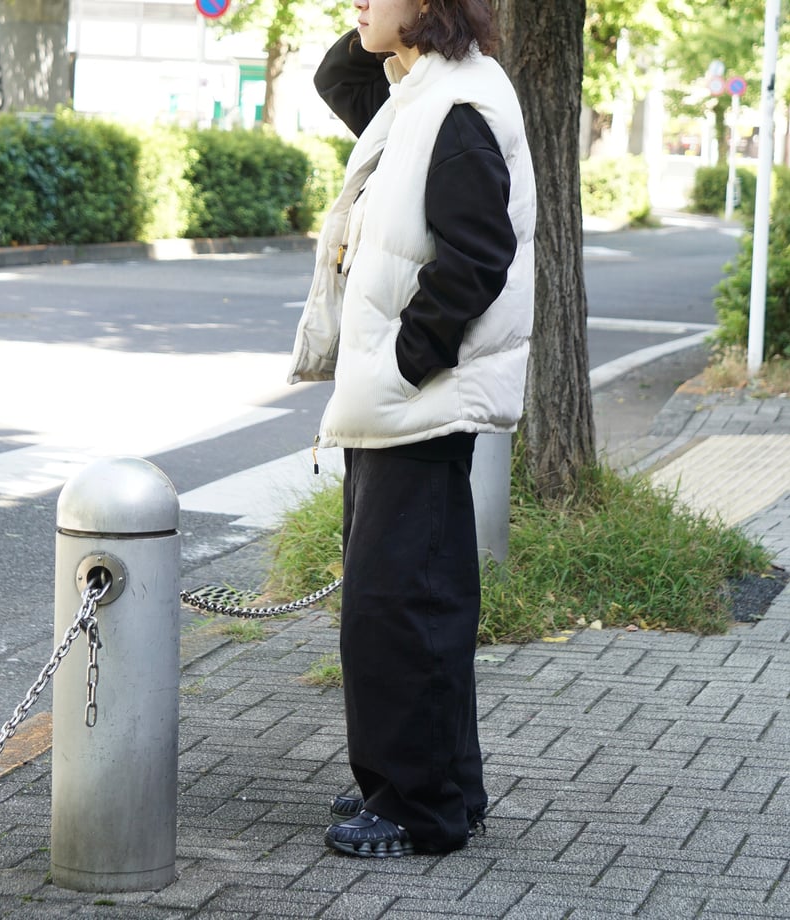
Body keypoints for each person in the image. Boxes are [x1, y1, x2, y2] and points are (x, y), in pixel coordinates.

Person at [288, 0, 536, 858]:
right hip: (401, 401)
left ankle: (417, 808)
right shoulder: (422, 90)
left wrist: (406, 361)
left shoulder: (456, 107)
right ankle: (438, 786)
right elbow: (339, 74)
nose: (354, 3)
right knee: (406, 599)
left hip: (414, 397)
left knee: (401, 608)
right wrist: (391, 29)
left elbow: (478, 256)